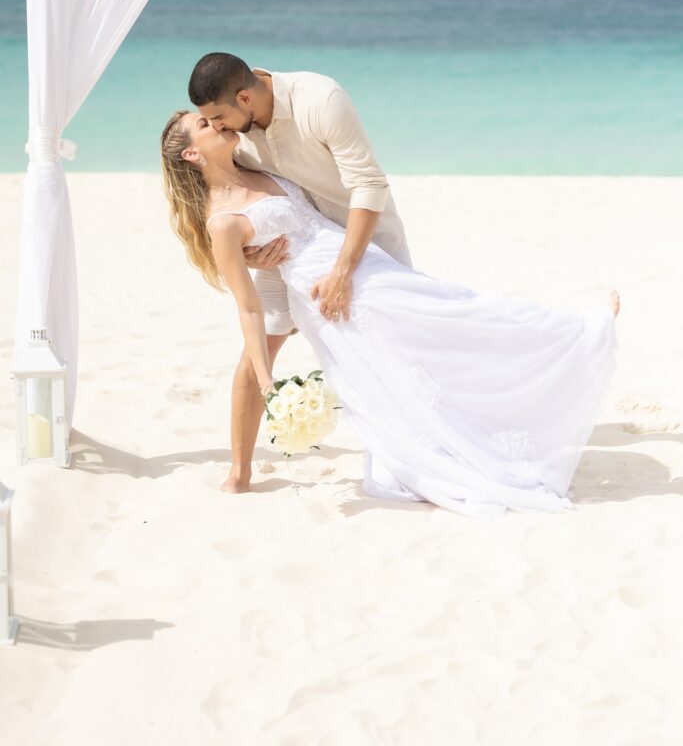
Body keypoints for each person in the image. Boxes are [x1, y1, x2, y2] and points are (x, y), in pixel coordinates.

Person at [160, 105, 620, 520]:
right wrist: (269, 385)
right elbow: (248, 307)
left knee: (449, 313)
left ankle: (567, 340)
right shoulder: (221, 222)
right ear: (191, 156)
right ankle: (578, 331)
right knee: (443, 326)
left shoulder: (253, 163)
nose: (216, 124)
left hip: (357, 263)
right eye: (204, 125)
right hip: (331, 294)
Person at [186, 52, 412, 494]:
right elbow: (226, 202)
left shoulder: (320, 99)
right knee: (255, 357)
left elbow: (369, 184)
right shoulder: (233, 135)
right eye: (208, 122)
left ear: (246, 97)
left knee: (394, 350)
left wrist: (343, 271)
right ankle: (240, 472)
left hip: (365, 240)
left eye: (219, 117)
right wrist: (249, 254)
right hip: (287, 252)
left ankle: (401, 454)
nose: (218, 127)